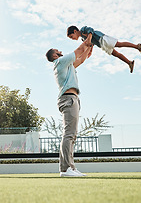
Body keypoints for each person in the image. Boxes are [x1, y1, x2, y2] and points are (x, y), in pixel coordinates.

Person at [45, 40, 92, 177]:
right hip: (68, 99)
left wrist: (90, 45)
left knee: (72, 135)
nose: (59, 50)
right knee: (68, 134)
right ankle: (66, 169)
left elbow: (82, 58)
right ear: (54, 56)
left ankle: (70, 167)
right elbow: (78, 50)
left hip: (74, 98)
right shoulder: (59, 62)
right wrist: (89, 38)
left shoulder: (68, 65)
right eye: (56, 50)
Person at [67, 25, 141, 73]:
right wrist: (90, 50)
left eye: (71, 36)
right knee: (116, 54)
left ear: (75, 31)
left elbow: (91, 30)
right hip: (101, 45)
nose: (72, 39)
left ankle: (137, 46)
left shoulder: (83, 30)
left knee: (119, 44)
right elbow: (91, 44)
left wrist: (89, 38)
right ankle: (129, 63)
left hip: (102, 38)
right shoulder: (83, 39)